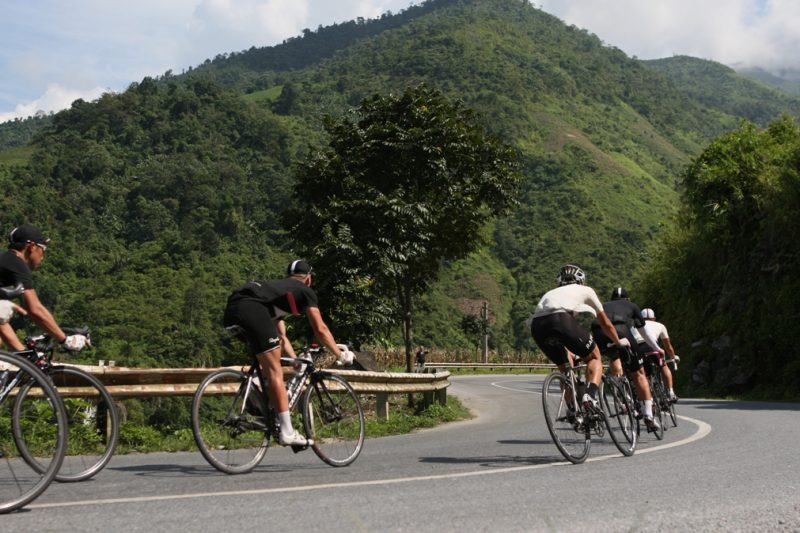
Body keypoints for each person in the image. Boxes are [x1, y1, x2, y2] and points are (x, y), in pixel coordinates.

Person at [223, 259, 352, 447]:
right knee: (275, 370)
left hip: (232, 311)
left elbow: (281, 337)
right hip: (251, 310)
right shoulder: (306, 291)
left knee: (268, 360)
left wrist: (294, 361)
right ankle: (287, 431)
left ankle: (258, 386)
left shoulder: (278, 292)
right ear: (308, 279)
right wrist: (339, 355)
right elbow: (320, 329)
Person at [530, 264, 630, 412]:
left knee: (565, 369)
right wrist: (618, 342)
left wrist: (574, 350)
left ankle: (572, 410)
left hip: (537, 325)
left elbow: (562, 332)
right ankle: (589, 397)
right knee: (594, 357)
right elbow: (605, 323)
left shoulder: (551, 293)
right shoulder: (586, 290)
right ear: (581, 280)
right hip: (560, 320)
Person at [0, 224, 88, 352]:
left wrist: (24, 355)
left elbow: (1, 323)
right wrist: (65, 340)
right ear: (32, 247)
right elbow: (35, 309)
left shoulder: (6, 260)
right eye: (43, 249)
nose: (43, 256)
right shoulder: (17, 264)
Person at [590, 287, 664, 432]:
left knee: (614, 356)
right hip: (620, 330)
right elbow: (644, 333)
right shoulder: (632, 306)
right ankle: (648, 415)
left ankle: (620, 389)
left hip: (599, 332)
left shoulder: (604, 306)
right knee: (639, 373)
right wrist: (657, 348)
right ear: (627, 299)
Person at [639, 308, 680, 402]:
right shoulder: (660, 325)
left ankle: (649, 397)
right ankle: (671, 392)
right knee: (663, 365)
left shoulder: (634, 325)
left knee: (642, 373)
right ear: (654, 318)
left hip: (639, 348)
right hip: (653, 347)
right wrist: (673, 357)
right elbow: (668, 346)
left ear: (640, 318)